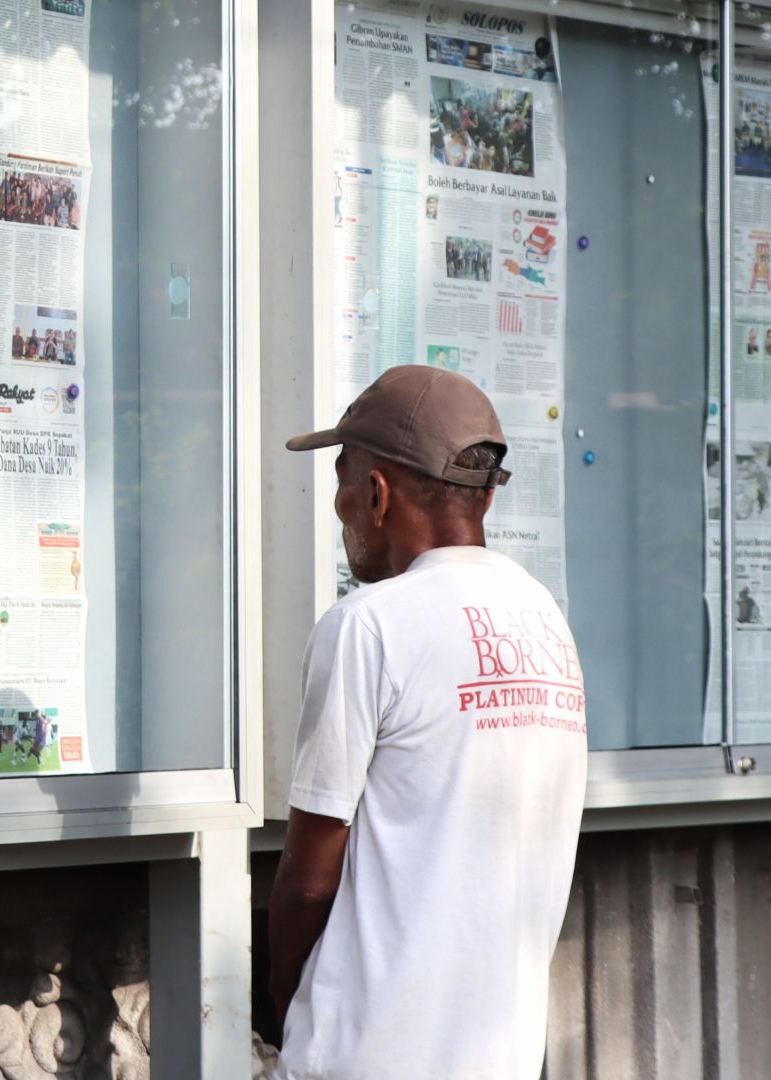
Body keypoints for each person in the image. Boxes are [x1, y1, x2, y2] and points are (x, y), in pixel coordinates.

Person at [269, 365, 586, 1080]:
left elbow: (309, 878)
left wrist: (292, 1017)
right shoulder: (544, 619)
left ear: (376, 493)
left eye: (342, 481)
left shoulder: (367, 627)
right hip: (501, 1057)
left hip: (366, 1057)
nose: (338, 507)